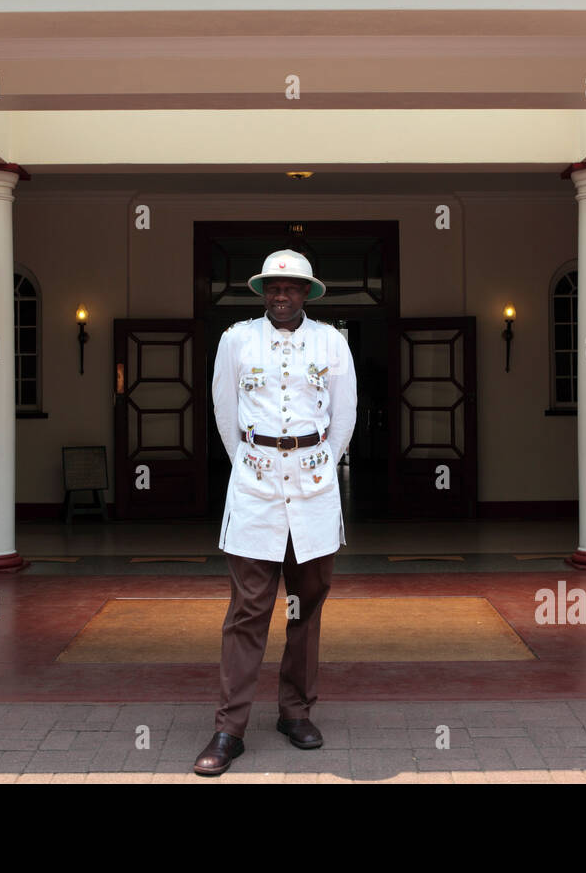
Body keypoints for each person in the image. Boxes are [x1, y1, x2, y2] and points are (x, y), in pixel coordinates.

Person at [194, 249, 358, 776]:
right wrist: (253, 461)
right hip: (255, 488)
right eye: (273, 288)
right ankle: (229, 727)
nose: (281, 296)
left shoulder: (332, 341)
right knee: (247, 611)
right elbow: (223, 413)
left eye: (291, 289)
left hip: (312, 490)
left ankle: (295, 712)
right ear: (263, 291)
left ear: (307, 292)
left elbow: (345, 416)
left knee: (305, 609)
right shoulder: (236, 339)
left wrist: (317, 466)